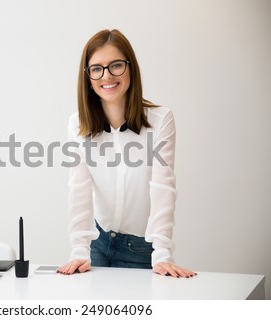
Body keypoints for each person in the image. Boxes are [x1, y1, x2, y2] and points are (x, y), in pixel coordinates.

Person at [57, 29, 196, 278]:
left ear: (130, 67)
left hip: (141, 249)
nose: (107, 76)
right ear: (88, 76)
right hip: (97, 245)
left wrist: (162, 252)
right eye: (96, 68)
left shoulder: (160, 120)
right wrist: (79, 249)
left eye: (116, 65)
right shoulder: (77, 124)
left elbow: (163, 188)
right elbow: (79, 189)